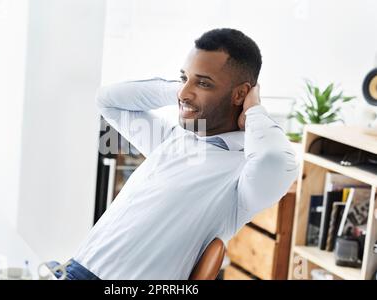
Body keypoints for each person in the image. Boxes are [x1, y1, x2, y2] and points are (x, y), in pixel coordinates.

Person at [51, 28, 299, 280]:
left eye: (204, 83)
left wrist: (255, 110)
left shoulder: (243, 175)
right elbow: (107, 100)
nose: (183, 92)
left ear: (240, 94)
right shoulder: (176, 140)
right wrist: (185, 91)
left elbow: (275, 160)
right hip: (71, 270)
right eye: (184, 77)